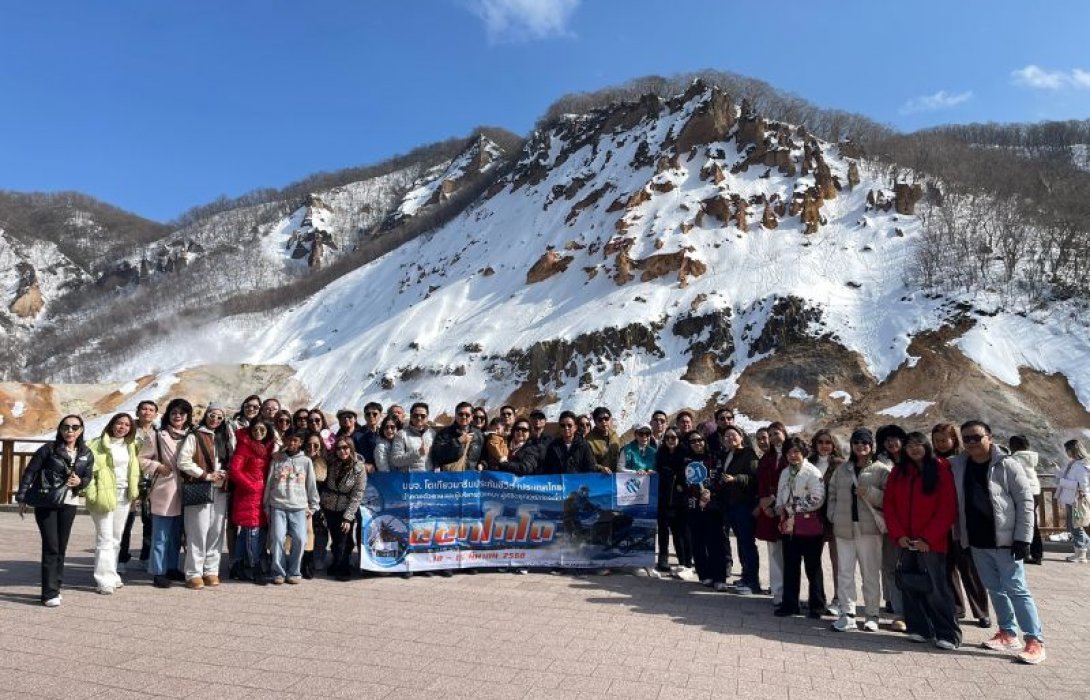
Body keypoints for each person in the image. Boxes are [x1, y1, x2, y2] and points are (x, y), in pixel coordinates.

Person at [951, 420, 1045, 665]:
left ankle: (1035, 640)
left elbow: (1025, 502)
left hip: (1006, 541)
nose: (971, 442)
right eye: (967, 438)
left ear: (989, 437)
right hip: (978, 541)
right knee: (994, 589)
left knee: (1017, 589)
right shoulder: (960, 464)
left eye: (976, 437)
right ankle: (1007, 632)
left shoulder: (1008, 465)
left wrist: (1023, 538)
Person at [884, 432, 960, 649]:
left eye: (918, 444)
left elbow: (947, 507)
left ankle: (947, 633)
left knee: (936, 588)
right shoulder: (899, 472)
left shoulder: (940, 468)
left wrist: (928, 537)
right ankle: (919, 628)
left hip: (931, 542)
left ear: (926, 446)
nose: (914, 449)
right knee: (909, 584)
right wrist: (899, 535)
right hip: (905, 541)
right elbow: (889, 506)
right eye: (909, 446)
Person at [16, 415, 94, 607]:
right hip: (47, 502)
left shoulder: (86, 453)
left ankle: (56, 587)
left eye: (75, 427)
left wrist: (80, 482)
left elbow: (88, 475)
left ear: (81, 430)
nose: (70, 431)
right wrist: (22, 497)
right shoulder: (48, 449)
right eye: (66, 427)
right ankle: (49, 593)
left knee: (61, 547)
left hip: (70, 503)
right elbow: (30, 472)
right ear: (60, 429)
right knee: (51, 546)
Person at [826, 427, 888, 632]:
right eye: (857, 443)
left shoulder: (881, 470)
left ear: (871, 446)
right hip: (844, 528)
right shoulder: (842, 469)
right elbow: (832, 493)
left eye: (865, 443)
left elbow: (889, 499)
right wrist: (833, 515)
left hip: (869, 529)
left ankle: (872, 614)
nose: (861, 446)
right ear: (851, 445)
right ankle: (848, 613)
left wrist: (870, 492)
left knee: (870, 573)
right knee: (845, 573)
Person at [933, 422, 991, 627]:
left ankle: (981, 611)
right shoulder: (931, 462)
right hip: (940, 523)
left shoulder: (963, 461)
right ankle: (956, 607)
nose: (940, 444)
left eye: (944, 440)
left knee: (969, 568)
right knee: (947, 567)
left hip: (961, 521)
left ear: (954, 439)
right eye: (937, 440)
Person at [177, 402, 233, 589]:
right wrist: (206, 475)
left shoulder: (226, 436)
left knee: (216, 530)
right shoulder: (195, 435)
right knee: (197, 530)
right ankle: (193, 572)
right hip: (200, 487)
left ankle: (211, 570)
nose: (215, 420)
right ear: (206, 415)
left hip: (220, 489)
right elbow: (183, 461)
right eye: (212, 416)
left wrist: (226, 473)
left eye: (219, 417)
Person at [85, 413, 141, 595]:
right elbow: (88, 470)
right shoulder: (97, 444)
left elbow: (134, 470)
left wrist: (134, 493)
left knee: (117, 537)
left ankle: (112, 573)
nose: (122, 427)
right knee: (105, 537)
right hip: (103, 494)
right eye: (119, 423)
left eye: (126, 425)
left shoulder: (130, 445)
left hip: (123, 494)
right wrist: (92, 492)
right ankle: (103, 580)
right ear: (112, 424)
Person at [140, 398, 192, 588]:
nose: (178, 416)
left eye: (182, 413)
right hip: (164, 490)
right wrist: (158, 466)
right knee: (161, 535)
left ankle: (171, 567)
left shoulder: (191, 436)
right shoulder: (157, 436)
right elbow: (142, 459)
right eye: (174, 413)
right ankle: (158, 571)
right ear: (168, 416)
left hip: (186, 491)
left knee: (177, 535)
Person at [774, 436, 826, 618]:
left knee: (813, 567)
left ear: (803, 452)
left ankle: (817, 606)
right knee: (790, 566)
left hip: (808, 526)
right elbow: (780, 493)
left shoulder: (812, 472)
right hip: (789, 526)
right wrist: (780, 507)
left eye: (796, 451)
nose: (792, 455)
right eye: (789, 452)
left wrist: (792, 507)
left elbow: (817, 498)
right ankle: (790, 604)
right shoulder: (785, 472)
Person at [265, 430, 320, 584]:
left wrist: (313, 505)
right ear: (284, 440)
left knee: (300, 539)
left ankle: (294, 571)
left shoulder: (306, 461)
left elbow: (311, 484)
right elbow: (270, 482)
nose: (292, 443)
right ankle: (278, 571)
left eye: (295, 440)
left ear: (300, 442)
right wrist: (266, 504)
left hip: (299, 506)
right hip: (278, 505)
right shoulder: (277, 459)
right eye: (289, 440)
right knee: (277, 538)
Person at [227, 420, 274, 583]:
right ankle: (253, 568)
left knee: (251, 532)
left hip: (263, 494)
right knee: (251, 532)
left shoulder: (268, 446)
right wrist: (252, 486)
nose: (259, 432)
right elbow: (234, 470)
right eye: (255, 429)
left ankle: (238, 566)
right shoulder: (244, 445)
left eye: (263, 429)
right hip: (250, 494)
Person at [718, 425, 760, 594]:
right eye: (726, 436)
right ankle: (745, 576)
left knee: (747, 543)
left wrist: (735, 479)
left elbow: (754, 479)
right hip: (732, 505)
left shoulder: (748, 454)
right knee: (741, 543)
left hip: (744, 504)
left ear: (741, 437)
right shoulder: (728, 454)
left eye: (733, 435)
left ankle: (753, 582)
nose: (730, 438)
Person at [118, 399, 158, 574]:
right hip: (130, 479)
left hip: (152, 480)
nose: (147, 412)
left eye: (151, 410)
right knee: (126, 520)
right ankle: (121, 557)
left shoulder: (159, 432)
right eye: (144, 409)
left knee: (150, 520)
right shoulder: (129, 429)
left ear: (156, 414)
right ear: (137, 411)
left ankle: (146, 556)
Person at [685, 430, 727, 590]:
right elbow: (686, 481)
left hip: (713, 505)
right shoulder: (686, 461)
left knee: (716, 541)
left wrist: (710, 492)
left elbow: (720, 478)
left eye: (700, 440)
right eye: (693, 441)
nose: (697, 443)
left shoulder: (714, 458)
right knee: (698, 542)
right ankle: (704, 574)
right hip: (694, 506)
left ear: (705, 441)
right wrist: (699, 495)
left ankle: (720, 577)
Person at [322, 437, 367, 581]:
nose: (343, 451)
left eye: (346, 448)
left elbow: (357, 494)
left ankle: (343, 566)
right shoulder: (332, 462)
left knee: (344, 537)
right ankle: (336, 563)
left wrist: (348, 517)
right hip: (329, 505)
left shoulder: (359, 468)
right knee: (335, 537)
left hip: (345, 506)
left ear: (351, 448)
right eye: (339, 448)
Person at [811, 429, 844, 615]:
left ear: (833, 445)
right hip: (814, 518)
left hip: (834, 518)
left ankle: (839, 598)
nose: (824, 446)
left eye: (828, 442)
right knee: (813, 560)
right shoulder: (809, 463)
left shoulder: (840, 465)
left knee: (837, 561)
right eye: (820, 442)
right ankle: (817, 598)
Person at [755, 422, 788, 606]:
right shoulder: (766, 458)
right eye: (771, 434)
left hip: (787, 509)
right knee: (774, 552)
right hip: (769, 510)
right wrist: (763, 502)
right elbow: (761, 483)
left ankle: (791, 590)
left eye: (776, 433)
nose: (774, 438)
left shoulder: (792, 453)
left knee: (790, 553)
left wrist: (774, 498)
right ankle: (777, 591)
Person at [656, 428, 692, 577]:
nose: (671, 440)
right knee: (663, 529)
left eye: (674, 437)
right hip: (663, 497)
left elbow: (686, 475)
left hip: (679, 499)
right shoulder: (660, 454)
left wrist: (678, 480)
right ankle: (663, 559)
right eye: (668, 437)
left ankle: (684, 562)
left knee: (680, 531)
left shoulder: (685, 454)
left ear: (678, 439)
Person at [1008, 436, 1043, 564]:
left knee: (1025, 523)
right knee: (1032, 523)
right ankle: (1037, 554)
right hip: (1035, 492)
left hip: (1023, 492)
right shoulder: (1031, 457)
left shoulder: (1015, 458)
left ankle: (1028, 553)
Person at [1056, 439, 1090, 563]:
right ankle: (1082, 551)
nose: (1066, 452)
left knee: (1077, 526)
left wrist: (1063, 482)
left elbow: (1083, 486)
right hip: (1072, 500)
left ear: (1073, 450)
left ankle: (1081, 554)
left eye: (1067, 450)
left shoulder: (1082, 465)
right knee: (1076, 525)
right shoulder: (1074, 463)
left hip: (1078, 501)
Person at [302, 432, 330, 578]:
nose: (312, 447)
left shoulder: (324, 461)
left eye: (315, 445)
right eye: (309, 445)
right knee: (304, 532)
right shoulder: (300, 459)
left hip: (320, 501)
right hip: (301, 501)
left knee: (319, 530)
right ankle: (305, 560)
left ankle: (318, 557)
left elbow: (324, 480)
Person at [432, 402, 484, 471]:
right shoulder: (444, 433)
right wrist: (458, 441)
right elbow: (437, 454)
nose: (464, 417)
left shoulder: (478, 434)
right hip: (450, 478)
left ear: (472, 416)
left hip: (470, 478)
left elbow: (484, 454)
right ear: (455, 415)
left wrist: (483, 464)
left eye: (467, 415)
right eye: (460, 414)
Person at [390, 403, 435, 472]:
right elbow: (395, 460)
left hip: (428, 479)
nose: (419, 418)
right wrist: (417, 453)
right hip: (409, 480)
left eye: (422, 416)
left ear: (427, 417)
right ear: (411, 417)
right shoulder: (401, 434)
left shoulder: (432, 433)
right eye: (415, 415)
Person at [585, 407, 621, 473]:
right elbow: (588, 462)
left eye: (606, 419)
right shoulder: (588, 440)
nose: (604, 422)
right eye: (600, 420)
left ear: (610, 420)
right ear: (595, 422)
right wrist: (601, 468)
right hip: (598, 477)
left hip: (615, 476)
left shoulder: (614, 435)